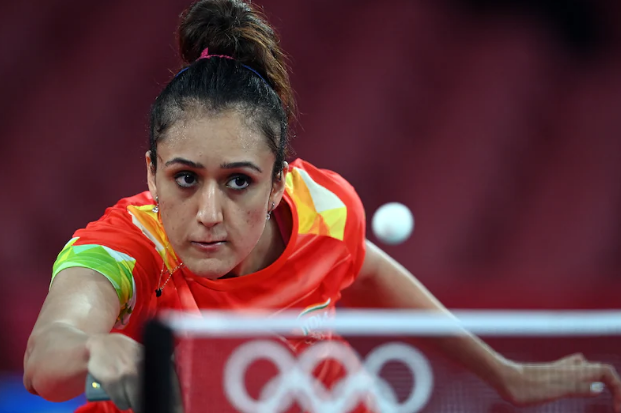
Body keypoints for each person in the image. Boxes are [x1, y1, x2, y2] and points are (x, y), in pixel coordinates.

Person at [23, 1, 621, 412]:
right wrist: (94, 349)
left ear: (279, 183)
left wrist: (504, 375)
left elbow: (365, 267)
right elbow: (47, 360)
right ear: (150, 174)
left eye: (238, 183)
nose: (208, 212)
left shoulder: (327, 210)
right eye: (184, 179)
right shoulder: (128, 248)